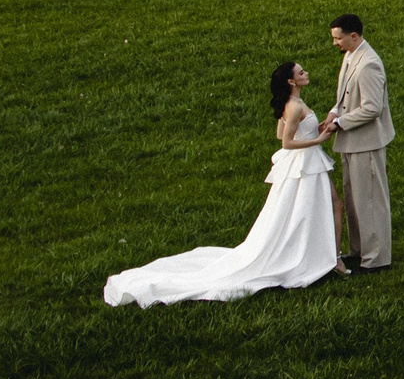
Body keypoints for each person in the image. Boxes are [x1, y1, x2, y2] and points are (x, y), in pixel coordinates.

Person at [104, 62, 347, 307]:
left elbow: (280, 133)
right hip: (304, 165)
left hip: (306, 163)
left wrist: (310, 132)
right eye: (301, 73)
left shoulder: (294, 104)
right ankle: (332, 259)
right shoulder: (293, 106)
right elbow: (284, 143)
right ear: (291, 82)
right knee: (326, 207)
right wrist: (317, 139)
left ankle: (328, 256)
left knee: (327, 206)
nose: (306, 74)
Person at [327, 13, 395, 271]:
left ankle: (376, 259)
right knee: (354, 200)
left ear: (353, 36)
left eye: (338, 38)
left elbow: (372, 108)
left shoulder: (369, 64)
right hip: (352, 141)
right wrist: (334, 112)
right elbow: (345, 94)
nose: (335, 43)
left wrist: (339, 123)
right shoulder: (350, 56)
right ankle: (358, 250)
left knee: (369, 200)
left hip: (365, 142)